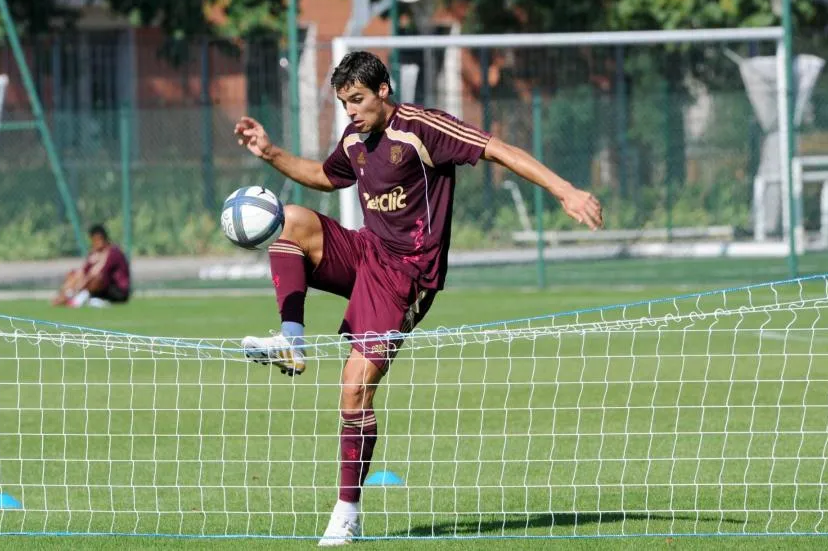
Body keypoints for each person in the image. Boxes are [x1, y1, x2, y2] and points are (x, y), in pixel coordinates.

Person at [234, 51, 603, 546]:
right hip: (367, 252)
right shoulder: (356, 138)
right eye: (345, 103)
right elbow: (327, 176)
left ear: (384, 89)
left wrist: (565, 191)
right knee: (290, 220)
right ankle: (292, 340)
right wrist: (271, 153)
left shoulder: (423, 127)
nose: (351, 112)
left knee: (354, 387)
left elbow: (499, 150)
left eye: (358, 100)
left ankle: (347, 512)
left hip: (408, 274)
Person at [52, 225, 131, 308]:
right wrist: (69, 286)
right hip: (100, 290)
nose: (94, 243)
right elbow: (83, 271)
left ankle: (75, 297)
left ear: (101, 239)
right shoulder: (95, 253)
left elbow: (97, 273)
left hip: (118, 292)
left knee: (96, 278)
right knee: (73, 273)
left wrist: (77, 289)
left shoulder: (113, 252)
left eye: (95, 240)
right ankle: (67, 295)